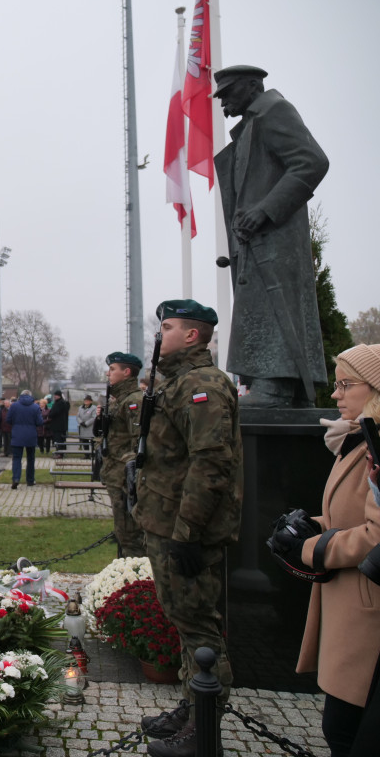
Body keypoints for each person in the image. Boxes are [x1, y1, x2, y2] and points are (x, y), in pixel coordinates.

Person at [133, 300, 242, 757]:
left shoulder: (202, 384)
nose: (161, 334)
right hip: (166, 524)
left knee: (199, 629)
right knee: (184, 622)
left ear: (193, 336)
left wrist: (187, 533)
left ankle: (205, 728)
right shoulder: (177, 382)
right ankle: (192, 704)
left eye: (169, 326)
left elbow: (211, 463)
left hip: (185, 531)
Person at [212, 65, 330, 408]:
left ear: (252, 86)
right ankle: (277, 387)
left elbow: (312, 161)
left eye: (228, 94)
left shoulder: (274, 110)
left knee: (273, 306)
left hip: (275, 234)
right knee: (261, 305)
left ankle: (275, 388)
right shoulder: (249, 125)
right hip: (258, 238)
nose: (223, 105)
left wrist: (264, 210)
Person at [288, 344, 380, 757]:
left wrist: (312, 547)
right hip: (350, 601)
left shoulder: (374, 446)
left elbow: (376, 534)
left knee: (346, 731)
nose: (336, 394)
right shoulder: (355, 440)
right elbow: (347, 516)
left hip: (368, 609)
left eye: (346, 384)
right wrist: (309, 525)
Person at [98, 352, 146, 558]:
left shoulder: (134, 401)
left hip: (125, 478)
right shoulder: (120, 400)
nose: (108, 373)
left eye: (113, 369)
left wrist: (130, 472)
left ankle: (138, 580)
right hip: (115, 475)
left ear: (126, 372)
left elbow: (139, 442)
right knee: (123, 532)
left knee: (130, 534)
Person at [7, 390, 43, 490]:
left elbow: (8, 420)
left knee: (17, 458)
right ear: (31, 396)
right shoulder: (35, 407)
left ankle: (16, 478)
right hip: (31, 435)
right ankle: (30, 480)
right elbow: (40, 422)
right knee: (31, 458)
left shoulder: (14, 406)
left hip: (17, 435)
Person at [47, 390, 69, 457]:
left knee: (58, 439)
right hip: (61, 425)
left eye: (56, 395)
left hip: (58, 425)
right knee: (61, 440)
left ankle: (59, 453)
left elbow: (54, 412)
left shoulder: (59, 403)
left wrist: (49, 415)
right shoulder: (63, 403)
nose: (55, 396)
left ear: (59, 396)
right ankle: (61, 453)